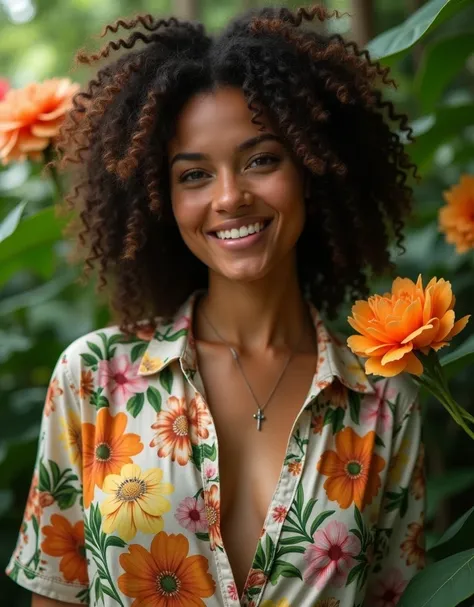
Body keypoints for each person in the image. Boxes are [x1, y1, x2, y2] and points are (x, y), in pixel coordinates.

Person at [6, 5, 425, 607]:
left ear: (311, 168)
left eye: (261, 160)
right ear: (161, 198)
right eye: (195, 175)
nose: (230, 197)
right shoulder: (94, 379)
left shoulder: (386, 405)